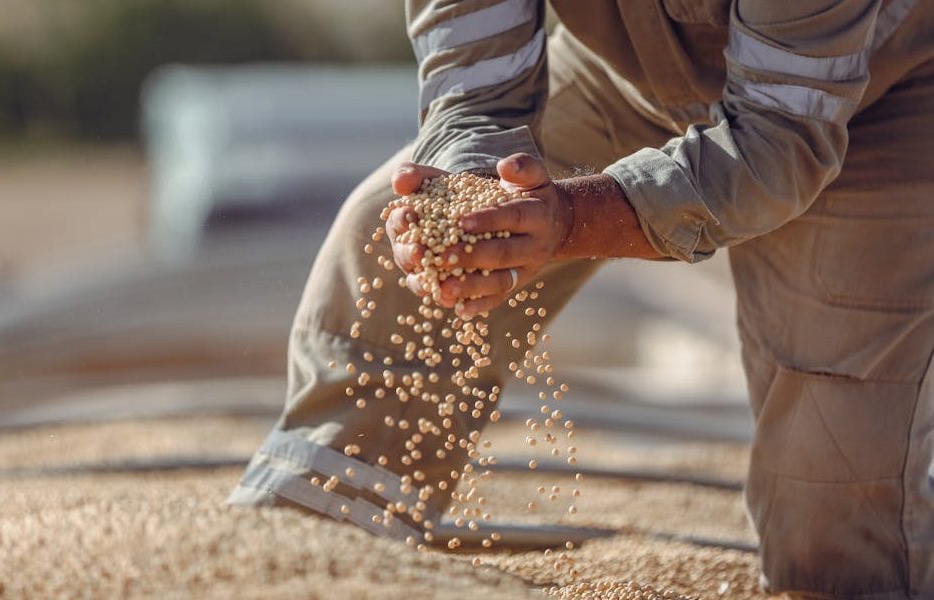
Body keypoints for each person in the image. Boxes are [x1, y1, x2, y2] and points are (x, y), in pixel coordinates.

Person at [229, 1, 934, 596]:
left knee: (833, 525)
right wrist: (468, 195)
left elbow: (781, 137)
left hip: (868, 98)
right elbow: (477, 93)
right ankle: (300, 557)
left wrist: (570, 219)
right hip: (625, 75)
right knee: (384, 250)